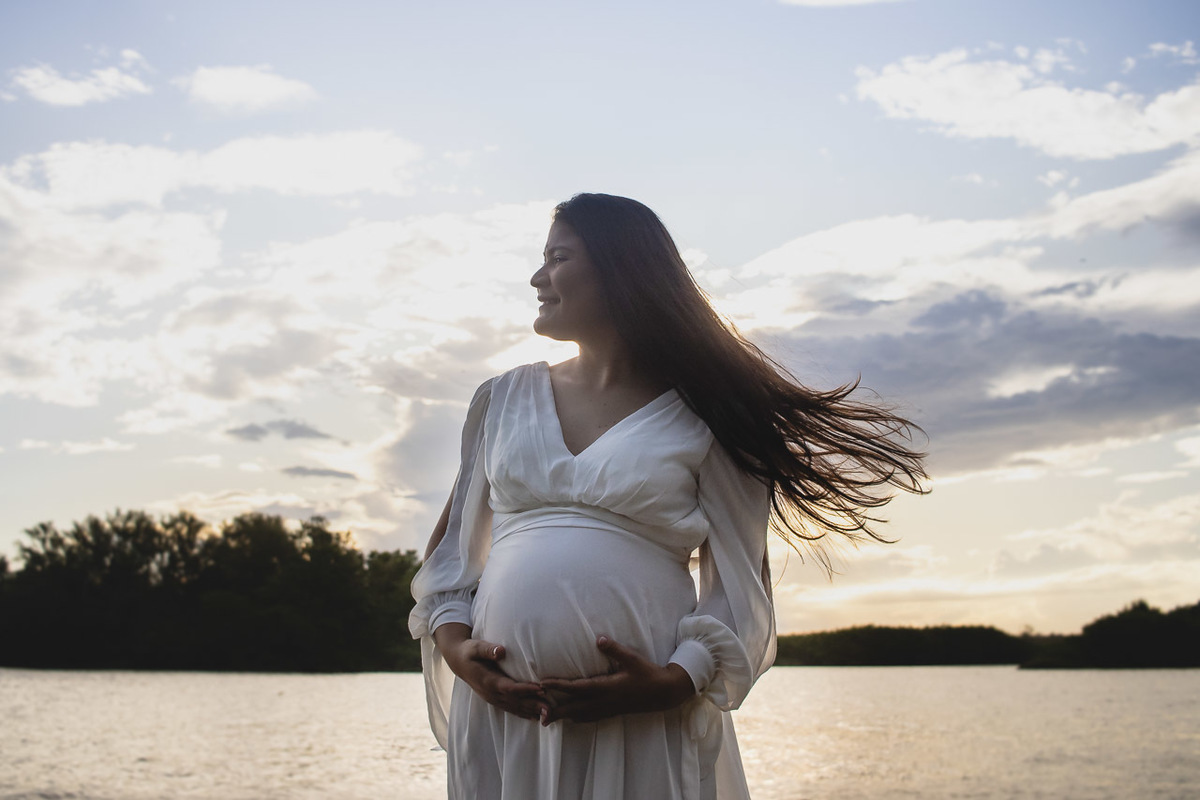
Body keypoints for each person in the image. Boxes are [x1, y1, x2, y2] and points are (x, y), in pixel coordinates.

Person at [409, 193, 927, 799]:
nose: (537, 277)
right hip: (506, 721)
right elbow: (447, 558)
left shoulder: (712, 411)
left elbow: (739, 585)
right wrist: (460, 654)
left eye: (558, 257)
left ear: (621, 266)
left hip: (642, 722)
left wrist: (678, 680)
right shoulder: (501, 399)